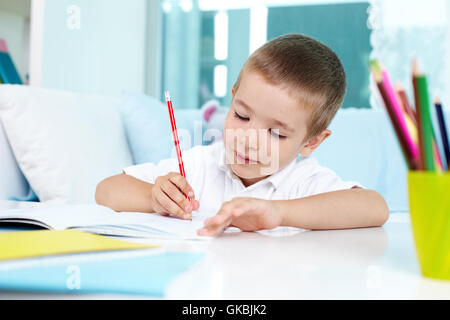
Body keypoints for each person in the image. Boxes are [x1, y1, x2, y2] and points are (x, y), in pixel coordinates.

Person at [95, 33, 389, 236]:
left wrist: (278, 213)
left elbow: (375, 208)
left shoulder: (303, 183)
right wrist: (154, 196)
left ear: (311, 141)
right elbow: (106, 191)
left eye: (275, 133)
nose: (249, 138)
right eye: (242, 115)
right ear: (233, 97)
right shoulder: (199, 166)